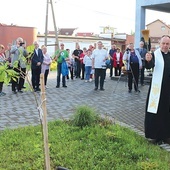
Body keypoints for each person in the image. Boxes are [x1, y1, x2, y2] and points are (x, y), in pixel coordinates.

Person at [144, 35, 170, 144]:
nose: (165, 46)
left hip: (168, 91)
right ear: (160, 44)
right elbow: (149, 66)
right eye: (163, 43)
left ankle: (166, 136)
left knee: (167, 112)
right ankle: (155, 135)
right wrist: (148, 60)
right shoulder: (155, 55)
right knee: (156, 112)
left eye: (167, 44)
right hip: (157, 89)